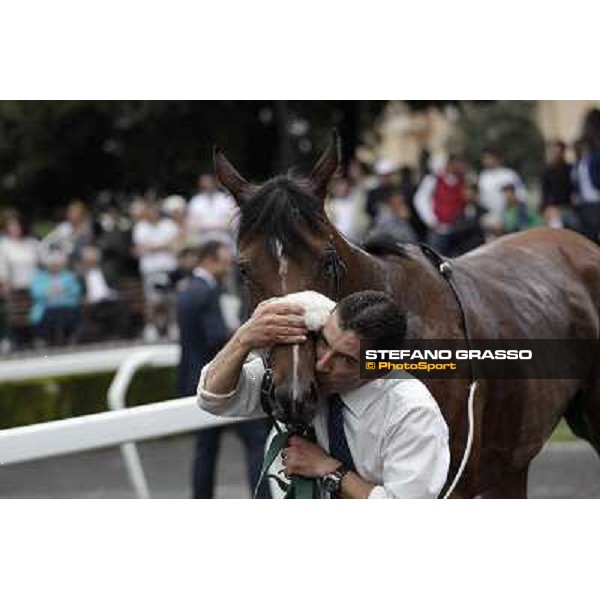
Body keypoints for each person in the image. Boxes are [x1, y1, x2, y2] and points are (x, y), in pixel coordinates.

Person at [197, 290, 450, 499]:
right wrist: (243, 340)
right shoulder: (305, 371)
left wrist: (328, 469)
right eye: (324, 343)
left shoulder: (413, 413)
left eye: (345, 359)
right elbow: (214, 398)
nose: (322, 364)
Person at [176, 240, 271, 499]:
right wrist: (247, 334)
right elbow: (215, 337)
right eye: (224, 260)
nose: (229, 266)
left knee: (205, 449)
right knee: (255, 440)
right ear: (208, 260)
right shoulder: (206, 292)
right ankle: (261, 497)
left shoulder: (187, 289)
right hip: (218, 381)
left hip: (193, 378)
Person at [132, 200, 179, 341]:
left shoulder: (169, 225)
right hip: (150, 270)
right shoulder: (140, 227)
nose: (152, 214)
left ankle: (173, 327)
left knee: (171, 300)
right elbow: (139, 249)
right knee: (151, 302)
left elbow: (175, 244)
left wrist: (151, 247)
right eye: (149, 211)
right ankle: (151, 329)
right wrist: (163, 245)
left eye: (154, 211)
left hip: (169, 269)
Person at [414, 155, 466, 255]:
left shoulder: (459, 180)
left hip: (457, 229)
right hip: (439, 230)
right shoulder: (432, 179)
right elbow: (420, 200)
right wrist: (431, 220)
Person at [29, 250, 82, 346]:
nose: (55, 266)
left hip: (67, 308)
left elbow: (76, 291)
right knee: (53, 314)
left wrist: (63, 290)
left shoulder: (68, 276)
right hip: (46, 309)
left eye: (57, 264)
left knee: (70, 312)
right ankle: (49, 340)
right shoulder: (40, 277)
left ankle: (69, 338)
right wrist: (49, 292)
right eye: (53, 264)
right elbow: (36, 293)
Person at [478, 149, 527, 238]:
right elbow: (482, 198)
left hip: (510, 215)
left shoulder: (509, 174)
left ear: (497, 159)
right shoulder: (483, 176)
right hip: (491, 214)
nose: (488, 161)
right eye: (485, 159)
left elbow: (521, 194)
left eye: (490, 158)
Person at [187, 173, 238, 245]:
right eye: (203, 185)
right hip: (203, 242)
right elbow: (191, 224)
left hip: (225, 241)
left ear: (214, 183)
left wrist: (209, 226)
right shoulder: (195, 201)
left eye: (208, 184)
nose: (206, 186)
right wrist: (218, 226)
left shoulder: (226, 200)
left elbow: (234, 222)